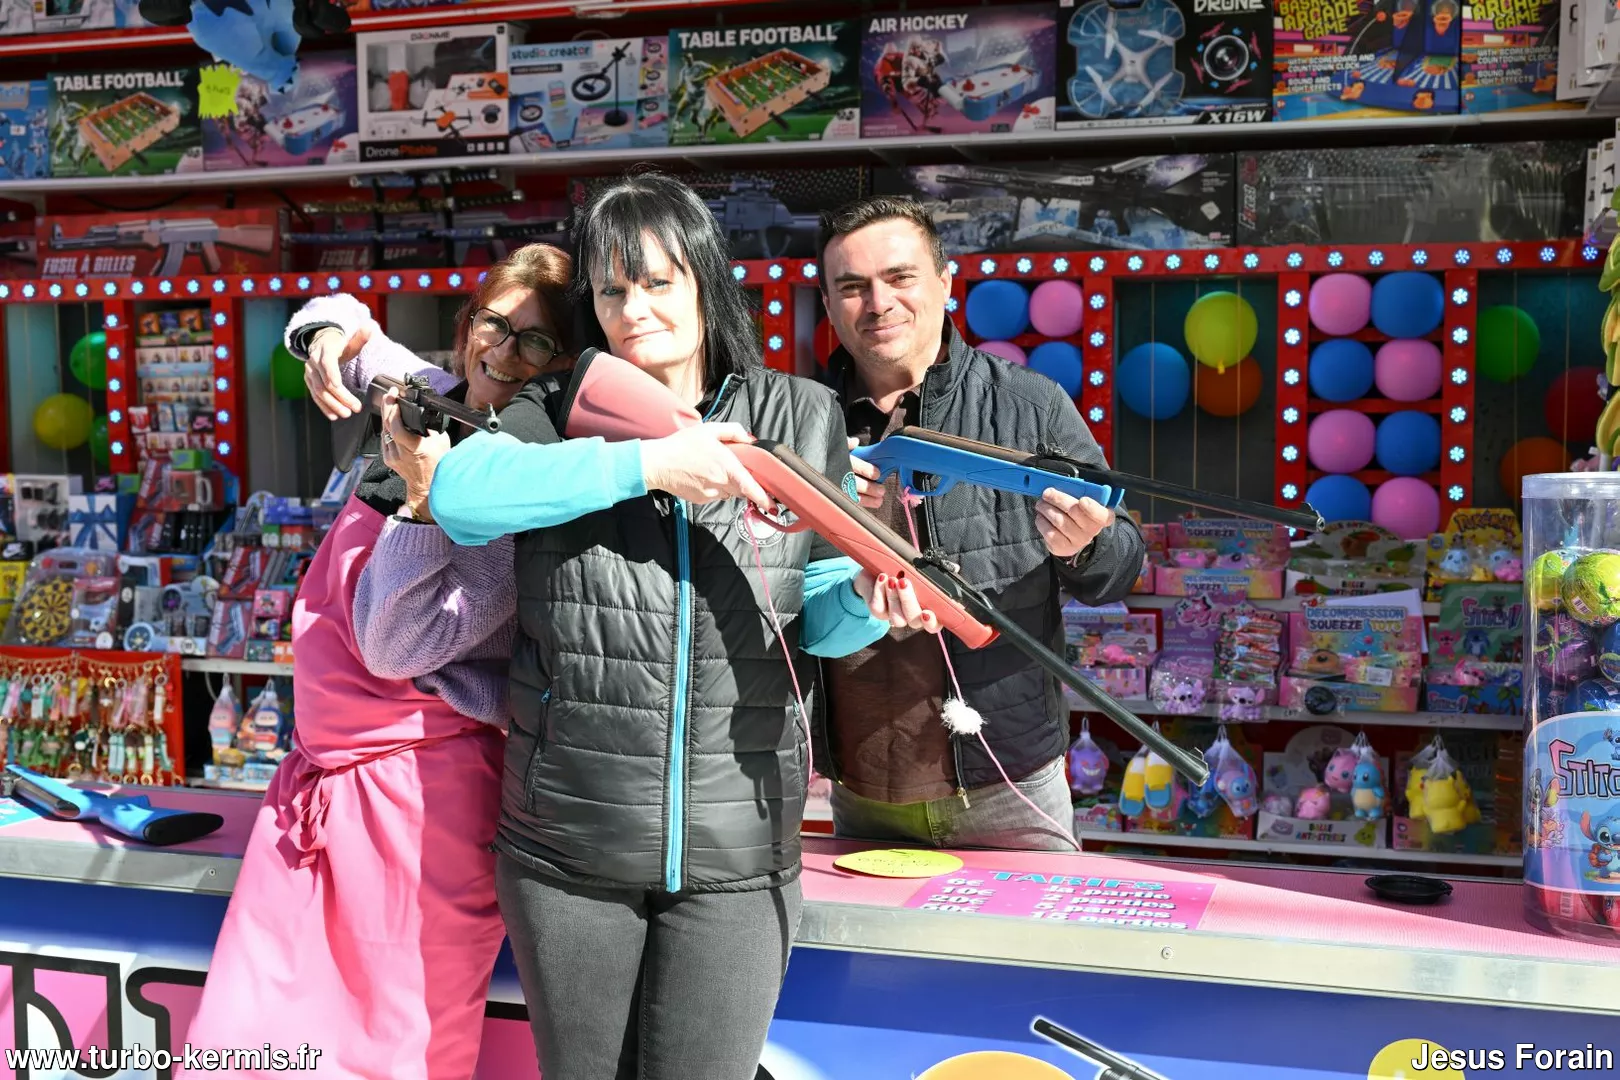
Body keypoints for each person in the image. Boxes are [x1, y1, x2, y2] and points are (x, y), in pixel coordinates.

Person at [324, 171, 941, 1080]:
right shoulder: (552, 406)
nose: (634, 309)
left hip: (740, 847)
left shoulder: (801, 413)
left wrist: (868, 604)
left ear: (705, 280)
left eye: (657, 281)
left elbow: (812, 621)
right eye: (612, 290)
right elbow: (461, 493)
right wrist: (652, 463)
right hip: (567, 851)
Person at [183, 244, 576, 1080]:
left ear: (564, 362)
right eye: (493, 325)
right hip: (327, 787)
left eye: (536, 341)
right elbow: (342, 321)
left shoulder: (524, 479)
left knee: (394, 1046)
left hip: (423, 797)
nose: (504, 353)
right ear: (467, 326)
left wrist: (427, 504)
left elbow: (398, 646)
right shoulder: (432, 396)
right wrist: (325, 337)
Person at [815, 195, 1148, 852]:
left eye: (900, 277)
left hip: (1011, 783)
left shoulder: (1030, 405)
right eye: (852, 287)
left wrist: (1088, 545)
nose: (878, 302)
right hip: (861, 787)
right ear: (828, 304)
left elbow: (1123, 565)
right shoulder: (803, 420)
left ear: (945, 282)